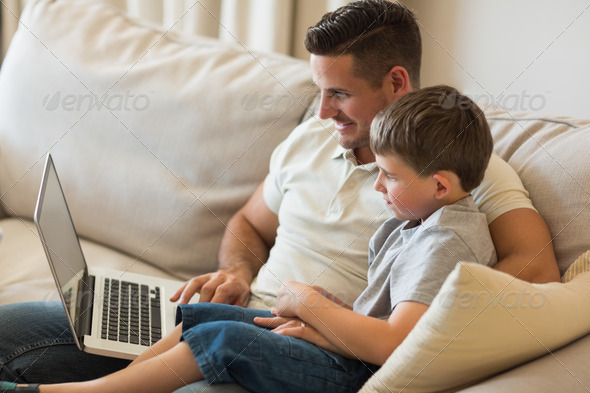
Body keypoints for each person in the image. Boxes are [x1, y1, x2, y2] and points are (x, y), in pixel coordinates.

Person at [0, 0, 560, 390]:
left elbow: (536, 271)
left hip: (310, 354)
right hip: (241, 316)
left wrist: (404, 328)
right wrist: (238, 275)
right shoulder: (311, 140)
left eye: (339, 94)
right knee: (13, 332)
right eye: (320, 91)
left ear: (395, 82)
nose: (321, 113)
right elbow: (248, 224)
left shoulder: (464, 174)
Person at [0, 85, 499, 393]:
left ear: (439, 185)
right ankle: (109, 386)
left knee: (222, 339)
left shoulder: (445, 238)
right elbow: (389, 316)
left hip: (352, 375)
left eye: (388, 176)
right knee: (207, 316)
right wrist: (327, 308)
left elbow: (397, 344)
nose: (378, 185)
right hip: (330, 340)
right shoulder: (414, 217)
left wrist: (309, 302)